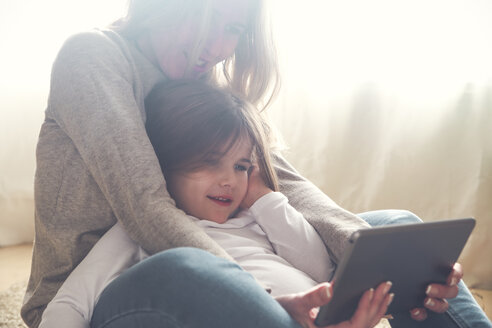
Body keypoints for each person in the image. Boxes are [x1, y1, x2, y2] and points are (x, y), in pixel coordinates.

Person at [22, 0, 491, 327]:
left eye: (233, 28)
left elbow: (281, 181)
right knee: (189, 267)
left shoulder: (210, 87)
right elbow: (145, 205)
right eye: (207, 17)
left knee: (395, 226)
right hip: (101, 294)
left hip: (225, 271)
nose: (217, 45)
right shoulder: (95, 57)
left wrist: (372, 259)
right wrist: (263, 301)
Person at [39, 79, 394, 328]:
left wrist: (265, 199)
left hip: (309, 318)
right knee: (192, 264)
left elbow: (321, 269)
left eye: (241, 166)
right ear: (165, 166)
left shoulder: (256, 218)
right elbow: (70, 304)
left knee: (398, 222)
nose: (229, 180)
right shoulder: (141, 231)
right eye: (211, 162)